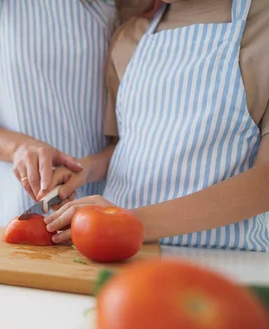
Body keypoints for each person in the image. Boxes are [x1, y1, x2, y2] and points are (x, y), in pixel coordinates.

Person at [43, 0, 269, 251]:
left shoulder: (263, 23)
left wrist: (132, 221)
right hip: (119, 253)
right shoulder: (129, 36)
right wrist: (85, 168)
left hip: (224, 261)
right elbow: (131, 146)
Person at [0, 0, 151, 226]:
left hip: (107, 206)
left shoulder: (124, 6)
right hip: (19, 207)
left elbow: (130, 138)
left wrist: (86, 168)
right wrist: (20, 148)